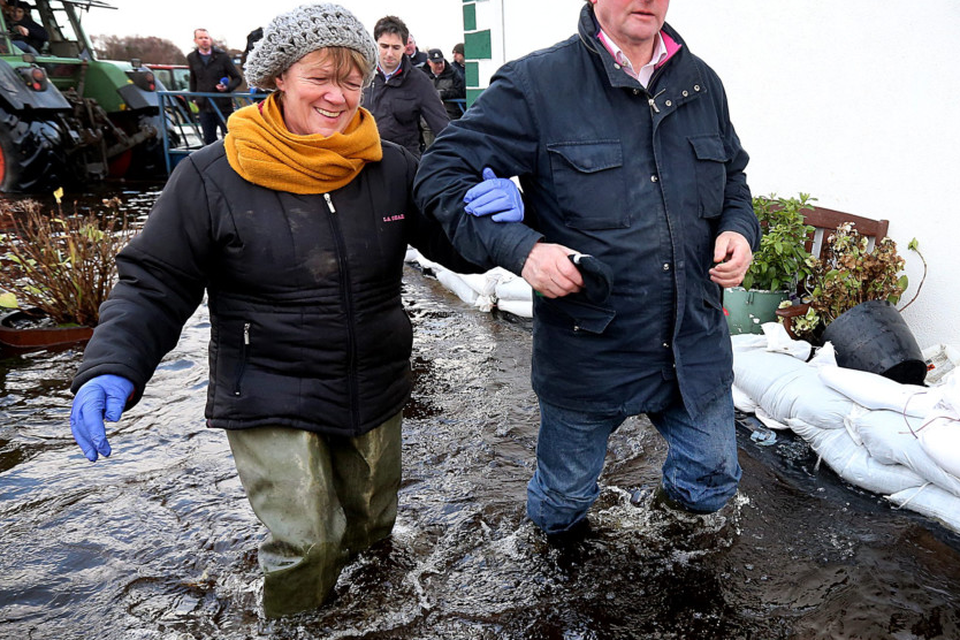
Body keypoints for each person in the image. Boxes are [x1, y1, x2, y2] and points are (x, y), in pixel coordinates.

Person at [69, 3, 482, 618]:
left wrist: (486, 214)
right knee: (308, 546)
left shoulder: (390, 165)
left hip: (374, 381)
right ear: (279, 77)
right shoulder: (212, 176)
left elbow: (457, 251)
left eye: (352, 79)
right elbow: (155, 280)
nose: (339, 97)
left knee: (371, 537)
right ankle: (290, 628)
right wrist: (114, 364)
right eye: (320, 77)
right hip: (266, 385)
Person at [414, 0, 760, 542]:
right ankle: (562, 570)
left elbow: (733, 180)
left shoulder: (700, 83)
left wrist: (739, 231)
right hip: (591, 344)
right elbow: (439, 176)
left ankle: (672, 559)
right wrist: (522, 249)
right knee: (563, 502)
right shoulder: (538, 84)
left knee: (712, 482)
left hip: (693, 340)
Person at [362, 15, 449, 157]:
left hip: (403, 163)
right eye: (384, 46)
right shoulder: (361, 77)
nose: (389, 53)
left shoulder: (419, 82)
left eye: (396, 47)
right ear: (375, 44)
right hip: (364, 159)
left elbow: (442, 126)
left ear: (404, 47)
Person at [187, 28, 242, 145]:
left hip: (222, 105)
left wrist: (227, 88)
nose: (204, 41)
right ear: (195, 40)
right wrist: (193, 97)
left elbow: (237, 78)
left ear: (210, 40)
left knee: (229, 138)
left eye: (206, 38)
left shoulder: (222, 57)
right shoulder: (192, 57)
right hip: (204, 105)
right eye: (201, 38)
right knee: (208, 140)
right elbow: (193, 78)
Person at [425, 48, 465, 120]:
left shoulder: (453, 72)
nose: (440, 65)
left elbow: (459, 91)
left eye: (441, 62)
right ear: (429, 62)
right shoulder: (422, 74)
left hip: (449, 114)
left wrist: (441, 94)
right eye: (436, 63)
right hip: (427, 115)